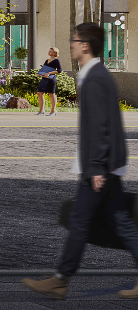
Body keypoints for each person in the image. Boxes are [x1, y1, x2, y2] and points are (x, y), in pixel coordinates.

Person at [23, 22, 138, 300]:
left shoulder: (95, 77)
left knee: (81, 221)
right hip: (105, 163)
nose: (71, 44)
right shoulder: (94, 74)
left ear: (85, 46)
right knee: (119, 222)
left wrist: (97, 166)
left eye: (74, 40)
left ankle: (60, 280)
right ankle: (60, 280)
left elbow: (101, 125)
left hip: (100, 166)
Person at [38, 47, 63, 116]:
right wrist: (39, 73)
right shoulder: (47, 60)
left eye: (51, 51)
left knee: (51, 94)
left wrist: (49, 73)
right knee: (39, 93)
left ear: (55, 53)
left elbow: (59, 70)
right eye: (49, 51)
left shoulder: (56, 61)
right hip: (44, 78)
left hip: (51, 79)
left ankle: (53, 111)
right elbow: (44, 69)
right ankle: (41, 110)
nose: (49, 52)